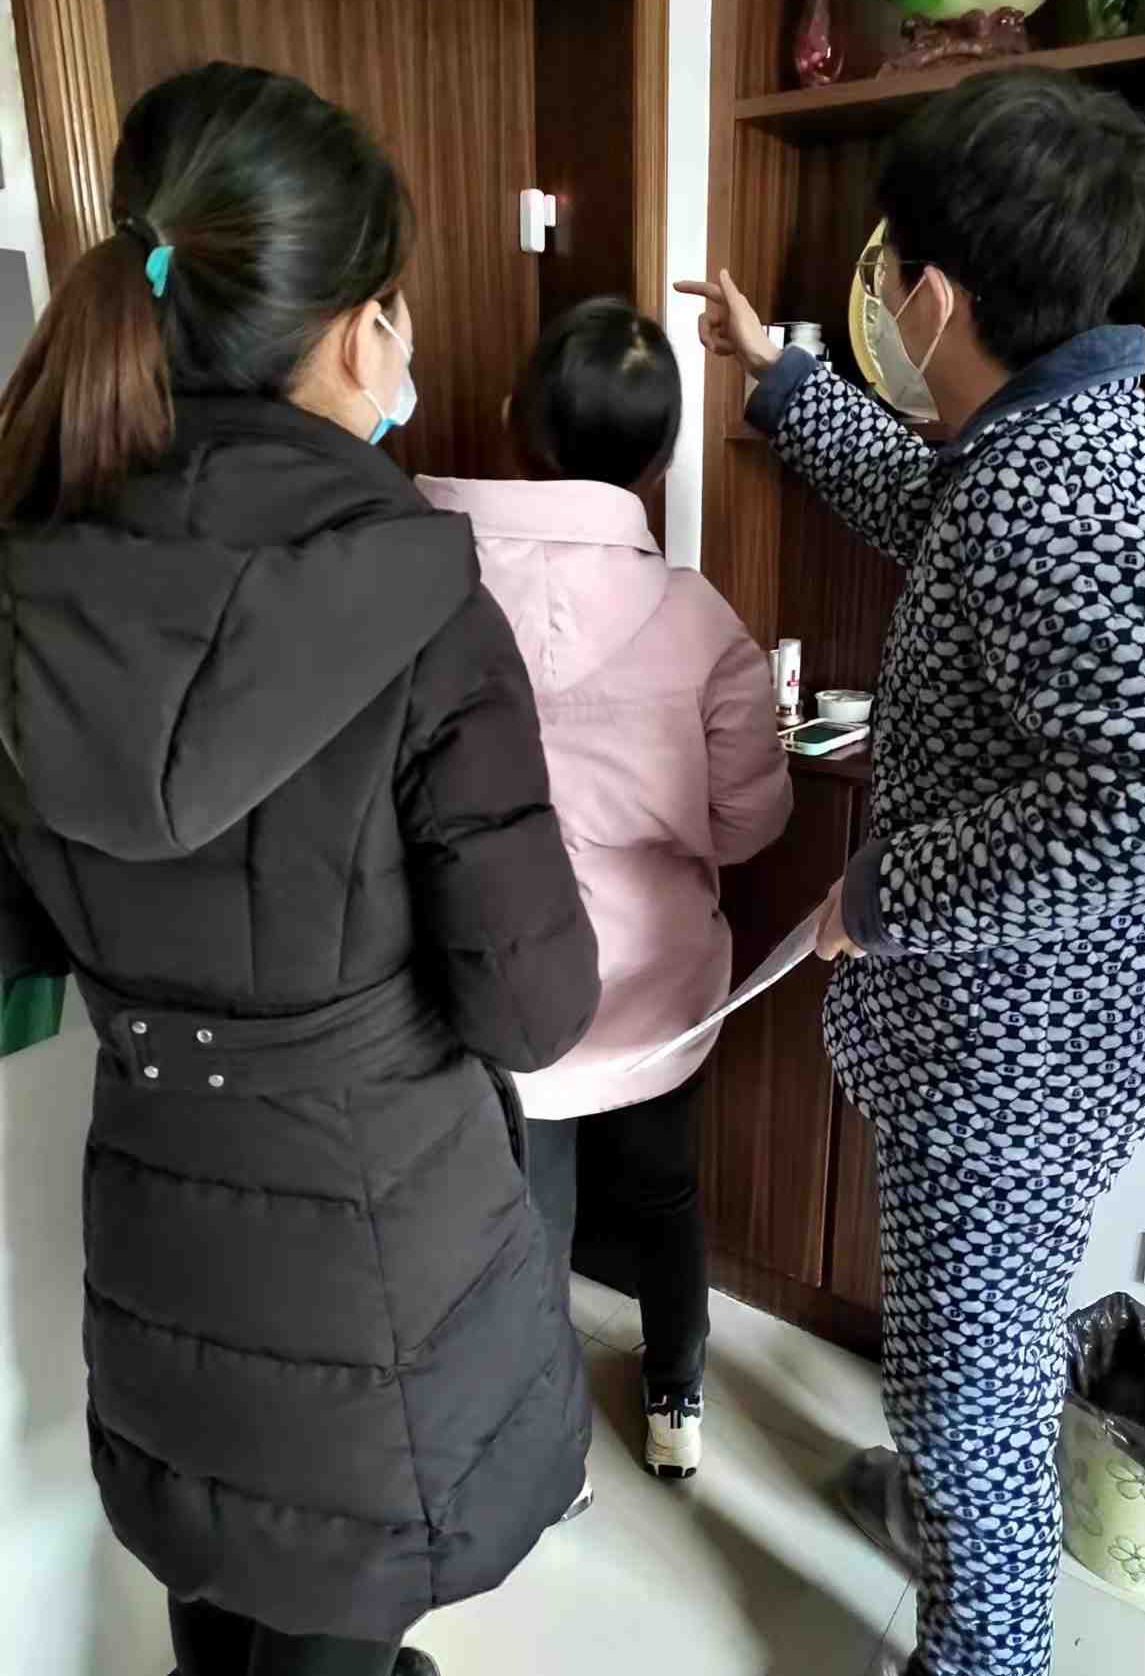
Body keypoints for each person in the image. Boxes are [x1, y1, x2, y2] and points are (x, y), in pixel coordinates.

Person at [0, 64, 601, 1676]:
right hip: (374, 1268)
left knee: (222, 1581)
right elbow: (533, 1009)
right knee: (330, 1602)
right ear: (355, 330)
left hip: (163, 1227)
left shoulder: (31, 584)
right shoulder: (421, 606)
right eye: (395, 311)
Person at [678, 67, 1145, 1676]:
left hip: (1016, 1064)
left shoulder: (1059, 490)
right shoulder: (1034, 437)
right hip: (1020, 1044)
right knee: (964, 1355)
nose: (879, 293)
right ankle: (952, 1497)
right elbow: (927, 507)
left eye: (885, 267)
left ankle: (982, 1641)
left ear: (929, 296)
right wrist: (779, 376)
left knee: (960, 1390)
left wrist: (885, 891)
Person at [419, 299, 791, 1481]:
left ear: (515, 419)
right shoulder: (698, 619)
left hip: (502, 976)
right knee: (665, 1191)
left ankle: (551, 1451)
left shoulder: (428, 586)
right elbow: (750, 823)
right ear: (662, 457)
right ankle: (676, 1398)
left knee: (531, 1209)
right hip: (656, 986)